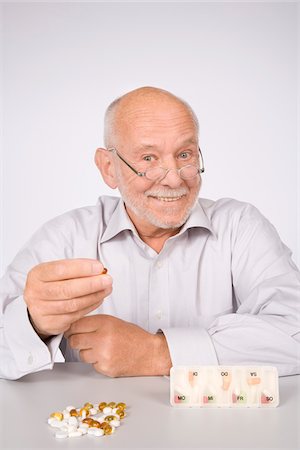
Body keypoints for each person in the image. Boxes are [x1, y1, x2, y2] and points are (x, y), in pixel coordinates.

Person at [0, 86, 299, 380]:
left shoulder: (240, 226)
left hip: (214, 427)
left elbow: (294, 331)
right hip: (102, 427)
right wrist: (33, 323)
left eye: (184, 154)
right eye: (148, 159)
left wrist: (158, 352)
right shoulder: (65, 237)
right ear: (108, 168)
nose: (173, 179)